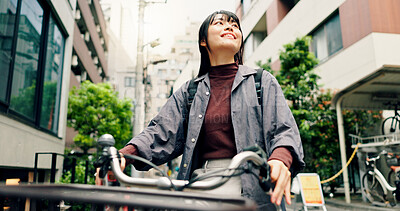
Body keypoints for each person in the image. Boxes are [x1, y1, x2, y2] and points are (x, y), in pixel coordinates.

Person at [98, 10, 305, 210]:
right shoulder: (190, 91)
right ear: (203, 41)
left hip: (253, 184)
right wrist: (124, 155)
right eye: (220, 23)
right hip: (201, 184)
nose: (230, 27)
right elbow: (160, 132)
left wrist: (280, 159)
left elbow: (284, 130)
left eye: (234, 25)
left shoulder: (261, 81)